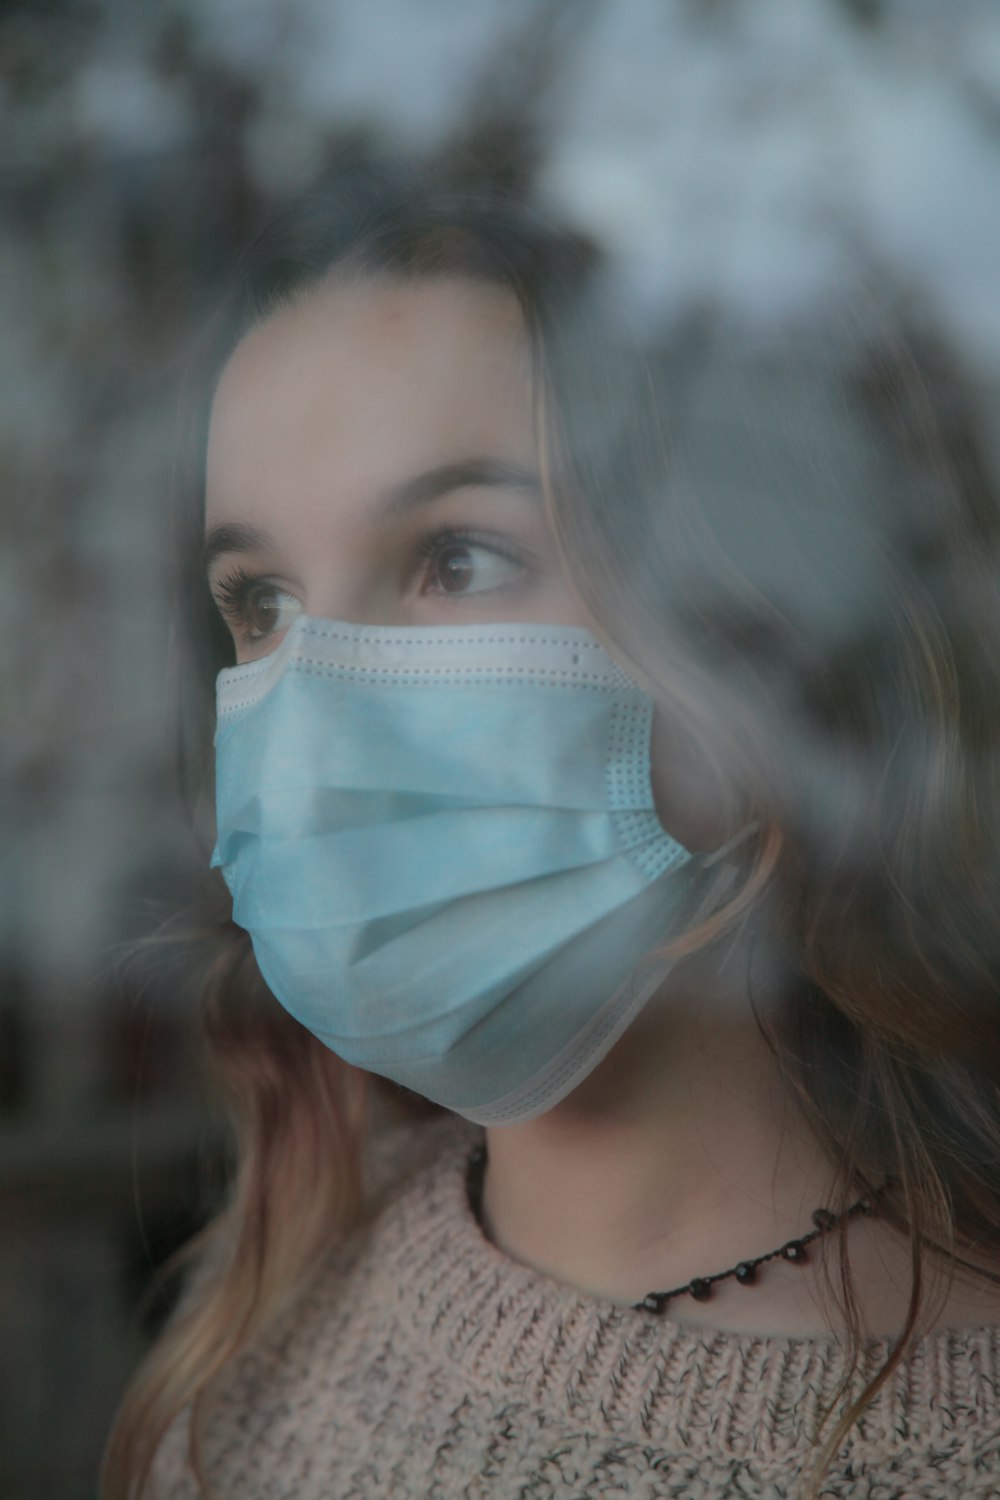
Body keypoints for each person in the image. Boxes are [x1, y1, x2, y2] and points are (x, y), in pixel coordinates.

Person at [103, 155, 1000, 1500]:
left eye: (456, 556)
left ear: (758, 633)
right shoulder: (259, 1319)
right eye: (266, 602)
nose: (317, 712)